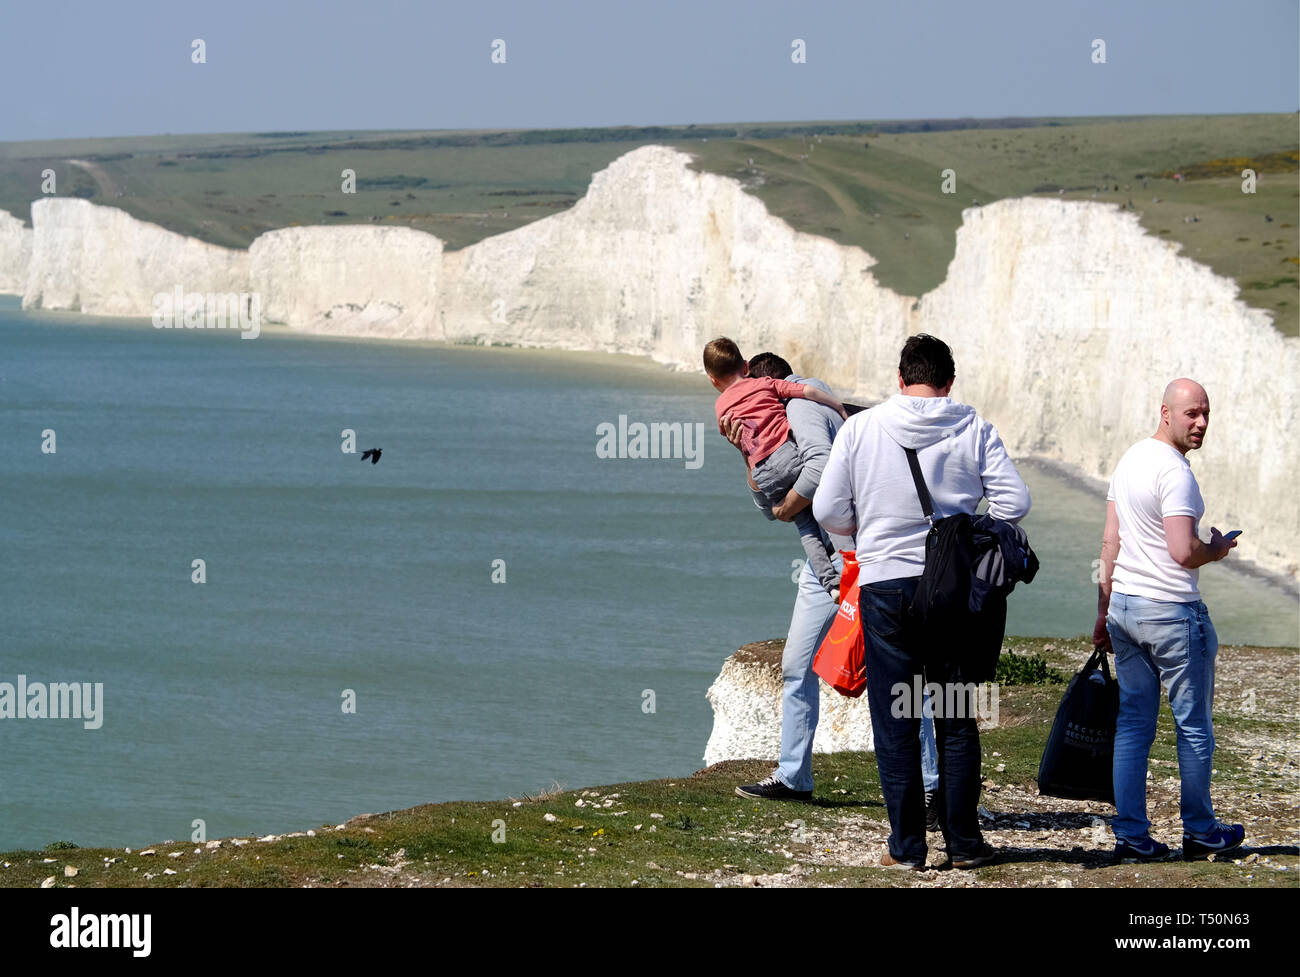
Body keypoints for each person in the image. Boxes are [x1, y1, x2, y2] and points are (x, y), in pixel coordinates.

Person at [813, 334, 1030, 869]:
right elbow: (1015, 503)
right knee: (956, 717)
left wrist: (862, 537)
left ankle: (907, 849)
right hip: (952, 591)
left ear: (901, 377)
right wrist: (965, 529)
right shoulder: (972, 427)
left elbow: (826, 507)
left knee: (896, 720)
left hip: (885, 585)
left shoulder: (862, 428)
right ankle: (964, 844)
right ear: (950, 381)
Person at [725, 351, 941, 814]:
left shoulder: (802, 407)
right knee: (797, 664)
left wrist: (787, 507)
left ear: (773, 390)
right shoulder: (774, 431)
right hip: (823, 566)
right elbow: (770, 506)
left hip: (864, 560)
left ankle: (930, 783)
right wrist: (746, 454)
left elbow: (817, 476)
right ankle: (793, 776)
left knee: (904, 672)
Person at [1093, 379, 1243, 862]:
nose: (1200, 423)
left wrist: (1103, 609)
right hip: (1173, 613)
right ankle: (1200, 829)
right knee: (1193, 726)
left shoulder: (1130, 459)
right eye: (1191, 414)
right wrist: (1217, 549)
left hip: (1127, 609)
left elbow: (1110, 541)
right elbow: (1183, 552)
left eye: (1205, 414)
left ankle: (1131, 835)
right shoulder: (1176, 474)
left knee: (1134, 725)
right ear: (1166, 412)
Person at [703, 337, 847, 600]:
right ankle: (849, 566)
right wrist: (838, 404)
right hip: (788, 457)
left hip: (764, 472)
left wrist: (747, 451)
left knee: (805, 526)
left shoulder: (721, 407)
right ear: (744, 367)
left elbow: (774, 511)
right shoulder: (767, 385)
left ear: (713, 380)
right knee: (823, 507)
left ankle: (831, 583)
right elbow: (804, 392)